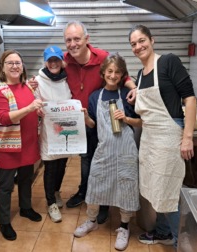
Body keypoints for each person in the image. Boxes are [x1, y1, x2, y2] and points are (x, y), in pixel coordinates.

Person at [128, 24, 197, 248]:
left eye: (142, 41)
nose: (138, 46)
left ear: (152, 40)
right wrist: (134, 93)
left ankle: (179, 242)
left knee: (167, 191)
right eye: (134, 44)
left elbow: (190, 99)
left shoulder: (168, 62)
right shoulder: (140, 75)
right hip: (149, 137)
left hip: (168, 136)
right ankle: (163, 232)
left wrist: (187, 137)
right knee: (154, 189)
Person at [62, 20, 137, 224]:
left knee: (108, 165)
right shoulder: (65, 60)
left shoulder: (103, 57)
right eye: (68, 40)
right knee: (88, 162)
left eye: (77, 38)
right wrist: (35, 79)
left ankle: (104, 205)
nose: (73, 43)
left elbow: (123, 75)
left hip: (106, 126)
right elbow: (50, 71)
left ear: (87, 39)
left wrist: (135, 88)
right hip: (86, 120)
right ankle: (85, 193)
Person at [73, 53, 141, 251]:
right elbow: (94, 125)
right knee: (95, 182)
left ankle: (124, 227)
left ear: (122, 75)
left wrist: (126, 119)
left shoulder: (128, 96)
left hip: (126, 150)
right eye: (109, 71)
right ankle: (91, 220)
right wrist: (85, 118)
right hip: (104, 149)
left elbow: (141, 122)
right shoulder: (95, 96)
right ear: (103, 73)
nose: (113, 75)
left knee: (126, 185)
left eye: (117, 72)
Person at [0, 49, 44, 241]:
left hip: (28, 144)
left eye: (18, 63)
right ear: (2, 68)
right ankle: (4, 221)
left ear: (22, 67)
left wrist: (37, 112)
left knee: (26, 178)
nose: (14, 66)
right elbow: (4, 118)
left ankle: (25, 208)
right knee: (5, 186)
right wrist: (29, 108)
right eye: (10, 63)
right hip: (9, 147)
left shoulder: (27, 87)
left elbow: (31, 111)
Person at [35, 45, 72, 223]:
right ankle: (51, 203)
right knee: (50, 166)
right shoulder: (37, 80)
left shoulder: (67, 79)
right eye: (50, 60)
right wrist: (38, 109)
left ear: (61, 61)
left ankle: (56, 191)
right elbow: (33, 102)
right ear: (46, 62)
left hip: (64, 129)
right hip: (49, 132)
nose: (53, 63)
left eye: (56, 59)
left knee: (62, 164)